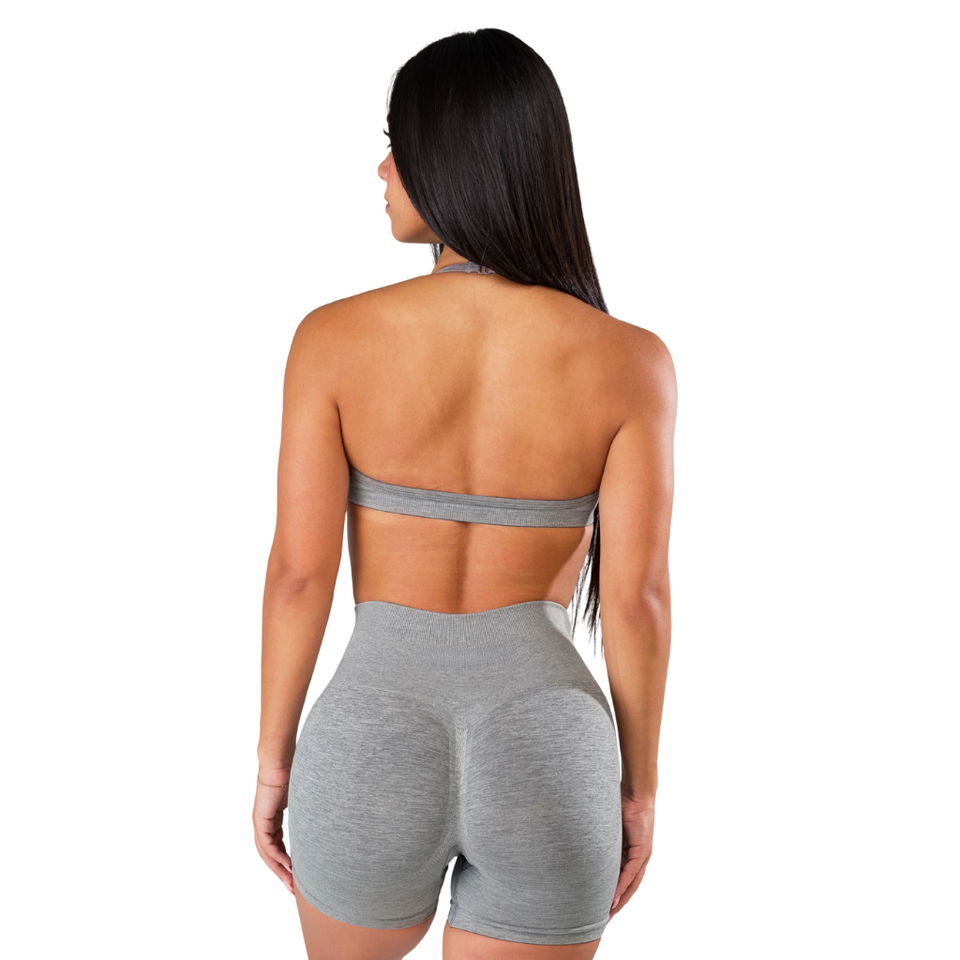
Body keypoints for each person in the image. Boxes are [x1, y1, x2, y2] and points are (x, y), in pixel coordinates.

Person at [253, 27, 676, 960]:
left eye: (397, 144)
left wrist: (274, 762)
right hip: (551, 746)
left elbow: (298, 577)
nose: (382, 169)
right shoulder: (631, 363)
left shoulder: (333, 340)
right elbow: (638, 601)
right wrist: (638, 788)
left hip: (372, 731)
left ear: (452, 158)